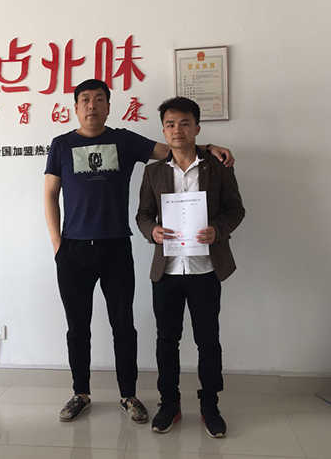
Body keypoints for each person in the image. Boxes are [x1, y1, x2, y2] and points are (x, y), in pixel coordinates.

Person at [44, 79, 235, 424]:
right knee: (77, 326)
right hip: (73, 250)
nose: (91, 106)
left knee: (123, 325)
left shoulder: (124, 140)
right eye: (85, 100)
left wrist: (208, 146)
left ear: (108, 106)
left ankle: (128, 395)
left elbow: (175, 148)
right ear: (76, 107)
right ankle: (80, 392)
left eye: (99, 99)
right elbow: (49, 194)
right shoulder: (61, 144)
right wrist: (58, 244)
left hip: (116, 246)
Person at [136, 96, 245, 436]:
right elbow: (142, 215)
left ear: (197, 128)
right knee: (166, 341)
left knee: (208, 341)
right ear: (163, 130)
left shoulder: (217, 166)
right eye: (170, 124)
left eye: (184, 123)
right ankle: (169, 404)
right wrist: (152, 232)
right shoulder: (153, 171)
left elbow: (235, 209)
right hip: (166, 271)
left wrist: (218, 230)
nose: (177, 130)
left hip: (205, 270)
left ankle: (210, 405)